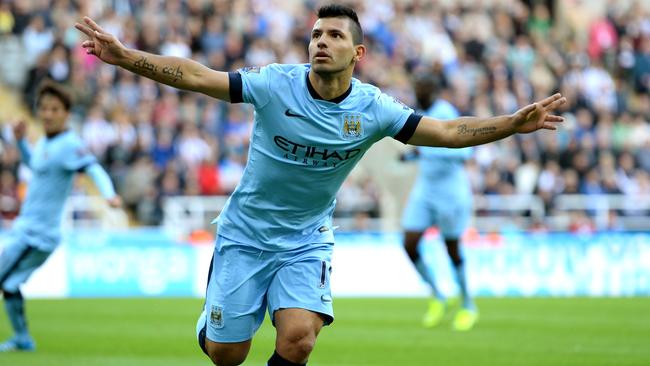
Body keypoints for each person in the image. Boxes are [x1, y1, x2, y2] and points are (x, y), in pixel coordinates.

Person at [75, 4, 565, 366]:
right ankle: (216, 322)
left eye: (333, 35)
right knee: (227, 353)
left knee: (299, 340)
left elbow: (447, 132)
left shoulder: (374, 108)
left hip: (307, 238)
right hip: (246, 233)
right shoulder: (273, 83)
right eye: (315, 34)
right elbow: (196, 76)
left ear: (358, 52)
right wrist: (126, 57)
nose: (320, 42)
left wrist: (510, 124)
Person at [0, 81, 122, 352]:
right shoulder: (45, 141)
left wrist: (109, 194)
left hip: (37, 234)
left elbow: (94, 169)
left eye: (54, 109)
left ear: (67, 113)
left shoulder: (70, 144)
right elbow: (36, 165)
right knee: (9, 284)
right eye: (43, 108)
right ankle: (22, 338)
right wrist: (20, 142)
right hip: (28, 229)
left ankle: (21, 338)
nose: (47, 114)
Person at [400, 73, 477, 331]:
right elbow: (424, 148)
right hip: (426, 189)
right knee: (409, 242)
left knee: (451, 248)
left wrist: (423, 150)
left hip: (450, 191)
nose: (418, 94)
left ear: (431, 92)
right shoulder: (418, 113)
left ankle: (467, 304)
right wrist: (412, 157)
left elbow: (465, 151)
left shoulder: (445, 112)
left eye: (421, 89)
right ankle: (439, 295)